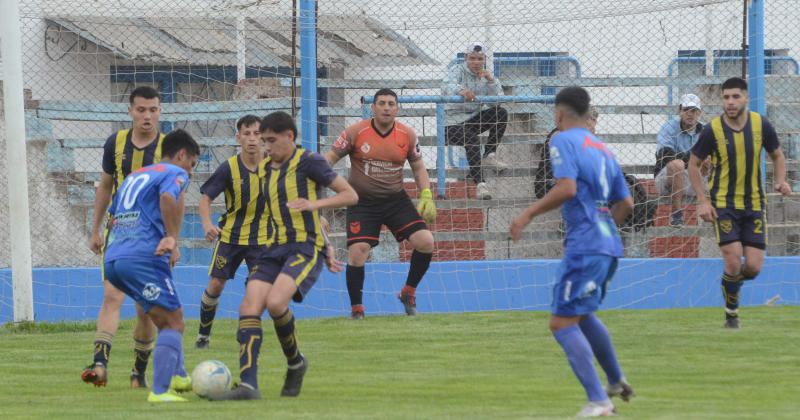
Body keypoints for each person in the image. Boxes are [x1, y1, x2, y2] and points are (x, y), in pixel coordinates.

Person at [212, 111, 357, 400]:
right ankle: (248, 386)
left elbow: (349, 195)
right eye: (263, 140)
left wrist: (316, 212)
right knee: (249, 306)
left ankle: (295, 362)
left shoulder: (310, 162)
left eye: (271, 140)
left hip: (303, 247)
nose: (266, 146)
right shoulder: (265, 168)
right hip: (271, 248)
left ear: (289, 137)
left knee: (276, 303)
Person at [509, 87, 635, 417]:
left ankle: (599, 401)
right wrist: (603, 228)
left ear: (558, 114)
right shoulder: (603, 149)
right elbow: (627, 203)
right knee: (582, 313)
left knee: (561, 323)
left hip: (586, 245)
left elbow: (567, 188)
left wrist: (527, 214)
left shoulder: (562, 140)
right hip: (609, 245)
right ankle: (615, 380)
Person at [102, 129, 200, 402]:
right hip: (143, 257)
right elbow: (168, 198)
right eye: (191, 165)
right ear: (182, 155)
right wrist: (171, 237)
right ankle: (159, 391)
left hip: (114, 259)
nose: (190, 173)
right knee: (174, 322)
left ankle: (179, 376)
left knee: (164, 315)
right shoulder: (173, 173)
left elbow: (111, 218)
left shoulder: (135, 176)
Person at [688, 77, 792, 329]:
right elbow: (692, 164)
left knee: (754, 267)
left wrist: (781, 180)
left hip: (754, 204)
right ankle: (731, 315)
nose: (730, 102)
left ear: (746, 98)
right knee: (733, 260)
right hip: (724, 204)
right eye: (726, 97)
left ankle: (731, 282)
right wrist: (703, 201)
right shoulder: (712, 130)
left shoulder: (760, 124)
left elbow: (777, 155)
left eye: (735, 97)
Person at [324, 88, 437, 319]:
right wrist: (317, 177)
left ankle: (408, 291)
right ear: (373, 107)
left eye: (391, 104)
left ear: (397, 108)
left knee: (426, 241)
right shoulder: (355, 132)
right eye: (382, 103)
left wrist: (426, 193)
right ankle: (357, 310)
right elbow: (330, 159)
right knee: (358, 252)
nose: (386, 107)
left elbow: (417, 167)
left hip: (396, 199)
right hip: (362, 201)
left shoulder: (407, 135)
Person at [82, 86, 164, 388]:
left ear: (160, 111)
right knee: (112, 296)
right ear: (130, 111)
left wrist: (172, 239)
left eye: (152, 109)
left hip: (152, 237)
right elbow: (105, 186)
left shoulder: (166, 149)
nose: (147, 115)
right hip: (118, 232)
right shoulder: (114, 144)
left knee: (145, 309)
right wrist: (95, 229)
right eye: (141, 109)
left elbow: (173, 199)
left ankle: (138, 373)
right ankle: (100, 365)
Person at [194, 115, 271, 349]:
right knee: (216, 284)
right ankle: (203, 335)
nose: (252, 139)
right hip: (231, 237)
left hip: (263, 239)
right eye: (246, 134)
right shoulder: (229, 167)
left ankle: (245, 327)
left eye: (257, 134)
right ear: (238, 137)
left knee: (257, 287)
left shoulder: (275, 165)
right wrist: (207, 224)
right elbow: (206, 198)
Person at [442, 41, 509, 200]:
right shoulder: (457, 70)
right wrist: (461, 90)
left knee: (501, 113)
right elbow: (445, 86)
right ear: (466, 57)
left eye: (480, 59)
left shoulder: (487, 75)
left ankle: (490, 154)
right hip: (451, 123)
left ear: (484, 58)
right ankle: (481, 185)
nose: (476, 62)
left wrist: (491, 82)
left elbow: (496, 102)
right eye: (472, 58)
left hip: (472, 120)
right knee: (471, 139)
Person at [654, 94, 707, 226]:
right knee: (677, 164)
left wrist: (704, 159)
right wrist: (697, 159)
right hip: (667, 179)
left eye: (694, 110)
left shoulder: (706, 130)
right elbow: (665, 155)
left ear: (699, 113)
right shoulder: (669, 127)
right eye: (686, 110)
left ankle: (714, 213)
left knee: (713, 160)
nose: (690, 114)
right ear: (679, 110)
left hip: (694, 178)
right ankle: (676, 215)